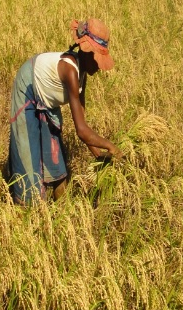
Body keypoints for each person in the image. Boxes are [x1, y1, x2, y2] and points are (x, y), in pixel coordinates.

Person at [7, 18, 123, 204]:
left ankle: (61, 209)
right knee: (28, 161)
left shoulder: (82, 75)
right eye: (97, 59)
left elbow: (82, 125)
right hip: (28, 89)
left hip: (47, 99)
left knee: (56, 161)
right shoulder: (70, 72)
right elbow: (82, 131)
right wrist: (111, 146)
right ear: (86, 53)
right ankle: (27, 210)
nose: (99, 67)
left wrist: (98, 155)